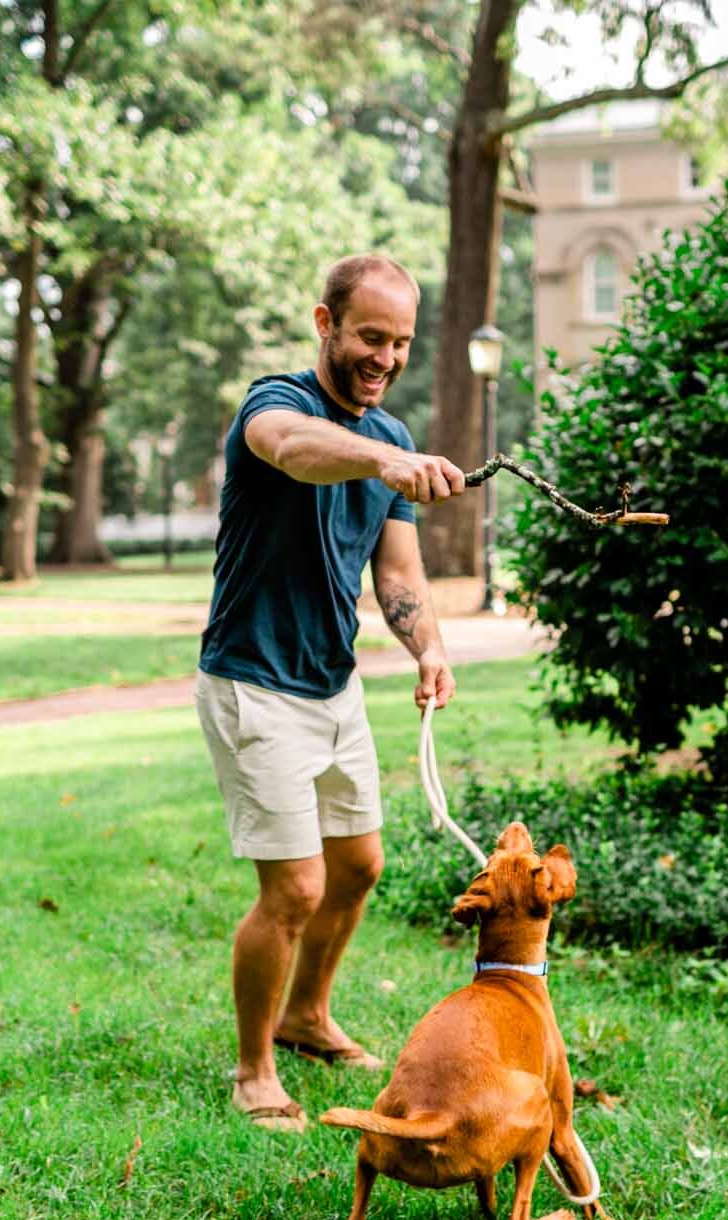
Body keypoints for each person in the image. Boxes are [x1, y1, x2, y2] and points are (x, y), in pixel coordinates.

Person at [197, 252, 466, 1133]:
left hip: (331, 681)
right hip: (253, 678)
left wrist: (427, 644)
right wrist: (384, 460)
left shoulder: (391, 433)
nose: (384, 356)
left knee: (359, 866)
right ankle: (253, 1066)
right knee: (297, 889)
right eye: (369, 335)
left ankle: (307, 1015)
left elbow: (399, 576)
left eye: (400, 342)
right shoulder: (277, 404)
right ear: (326, 324)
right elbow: (297, 454)